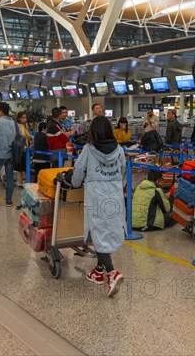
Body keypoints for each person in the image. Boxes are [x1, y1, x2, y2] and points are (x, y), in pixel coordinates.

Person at [64, 116, 126, 297]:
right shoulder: (120, 150)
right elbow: (122, 171)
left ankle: (112, 273)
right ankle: (98, 271)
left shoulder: (89, 150)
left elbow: (78, 174)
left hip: (96, 197)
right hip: (114, 197)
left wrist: (72, 182)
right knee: (106, 232)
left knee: (98, 235)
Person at [14, 111, 32, 186]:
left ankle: (22, 181)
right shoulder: (19, 126)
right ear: (19, 118)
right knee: (21, 167)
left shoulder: (23, 126)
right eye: (23, 117)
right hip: (21, 149)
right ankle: (21, 182)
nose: (25, 119)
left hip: (24, 149)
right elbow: (25, 135)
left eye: (25, 117)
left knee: (22, 166)